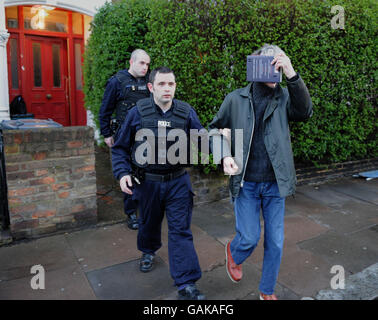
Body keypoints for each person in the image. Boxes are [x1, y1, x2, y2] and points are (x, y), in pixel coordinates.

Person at [208, 44, 313, 300]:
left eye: (276, 63)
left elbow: (305, 112)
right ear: (254, 65)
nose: (272, 68)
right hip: (247, 183)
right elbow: (213, 130)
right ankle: (235, 251)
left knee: (275, 241)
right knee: (250, 237)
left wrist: (292, 73)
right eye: (267, 63)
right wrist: (224, 155)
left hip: (275, 183)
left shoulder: (285, 97)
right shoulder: (235, 99)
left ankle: (267, 291)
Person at [111, 67, 206, 300]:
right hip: (148, 182)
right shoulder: (137, 113)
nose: (167, 88)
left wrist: (224, 152)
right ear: (151, 87)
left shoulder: (185, 112)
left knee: (180, 231)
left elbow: (203, 139)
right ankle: (148, 250)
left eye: (171, 84)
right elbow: (120, 147)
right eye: (162, 84)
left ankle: (186, 283)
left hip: (178, 182)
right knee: (148, 223)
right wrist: (123, 172)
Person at [99, 49, 151, 230]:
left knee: (146, 173)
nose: (145, 67)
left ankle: (146, 208)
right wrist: (106, 134)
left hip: (145, 136)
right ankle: (130, 212)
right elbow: (105, 109)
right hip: (124, 136)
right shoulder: (117, 82)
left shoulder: (149, 82)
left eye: (147, 64)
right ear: (131, 62)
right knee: (128, 174)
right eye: (141, 63)